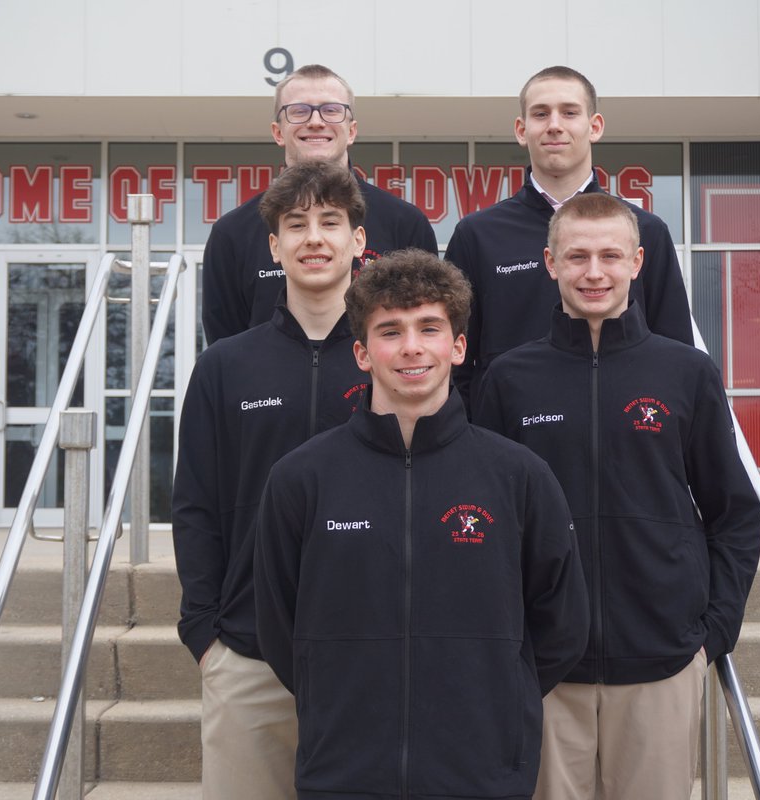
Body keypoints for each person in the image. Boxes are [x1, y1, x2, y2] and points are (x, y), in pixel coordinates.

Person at [253, 250, 589, 800]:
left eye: (429, 327)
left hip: (484, 774)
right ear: (361, 353)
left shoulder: (519, 475)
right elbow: (279, 627)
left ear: (457, 346)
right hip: (343, 772)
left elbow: (562, 624)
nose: (411, 347)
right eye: (390, 331)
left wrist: (498, 697)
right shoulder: (301, 479)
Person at [473, 193, 760, 800]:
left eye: (610, 255)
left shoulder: (686, 373)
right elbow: (488, 521)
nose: (594, 272)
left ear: (638, 262)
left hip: (661, 656)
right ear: (550, 264)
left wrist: (715, 628)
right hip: (546, 667)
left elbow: (733, 510)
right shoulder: (509, 378)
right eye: (576, 256)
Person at [171, 160, 373, 799]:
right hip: (247, 652)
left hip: (370, 652)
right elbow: (196, 503)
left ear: (358, 242)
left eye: (330, 222)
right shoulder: (225, 366)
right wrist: (204, 632)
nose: (314, 237)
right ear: (274, 246)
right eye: (296, 224)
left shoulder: (395, 355)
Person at [445, 65, 693, 408]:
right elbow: (453, 361)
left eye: (570, 112)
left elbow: (677, 355)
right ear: (521, 129)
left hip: (624, 439)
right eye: (541, 114)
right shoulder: (478, 235)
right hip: (511, 443)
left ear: (595, 127)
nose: (555, 125)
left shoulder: (646, 231)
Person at [202, 63, 438, 344]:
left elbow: (427, 328)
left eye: (331, 110)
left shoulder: (404, 223)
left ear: (351, 131)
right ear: (278, 132)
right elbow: (226, 344)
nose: (315, 121)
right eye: (299, 111)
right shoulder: (233, 232)